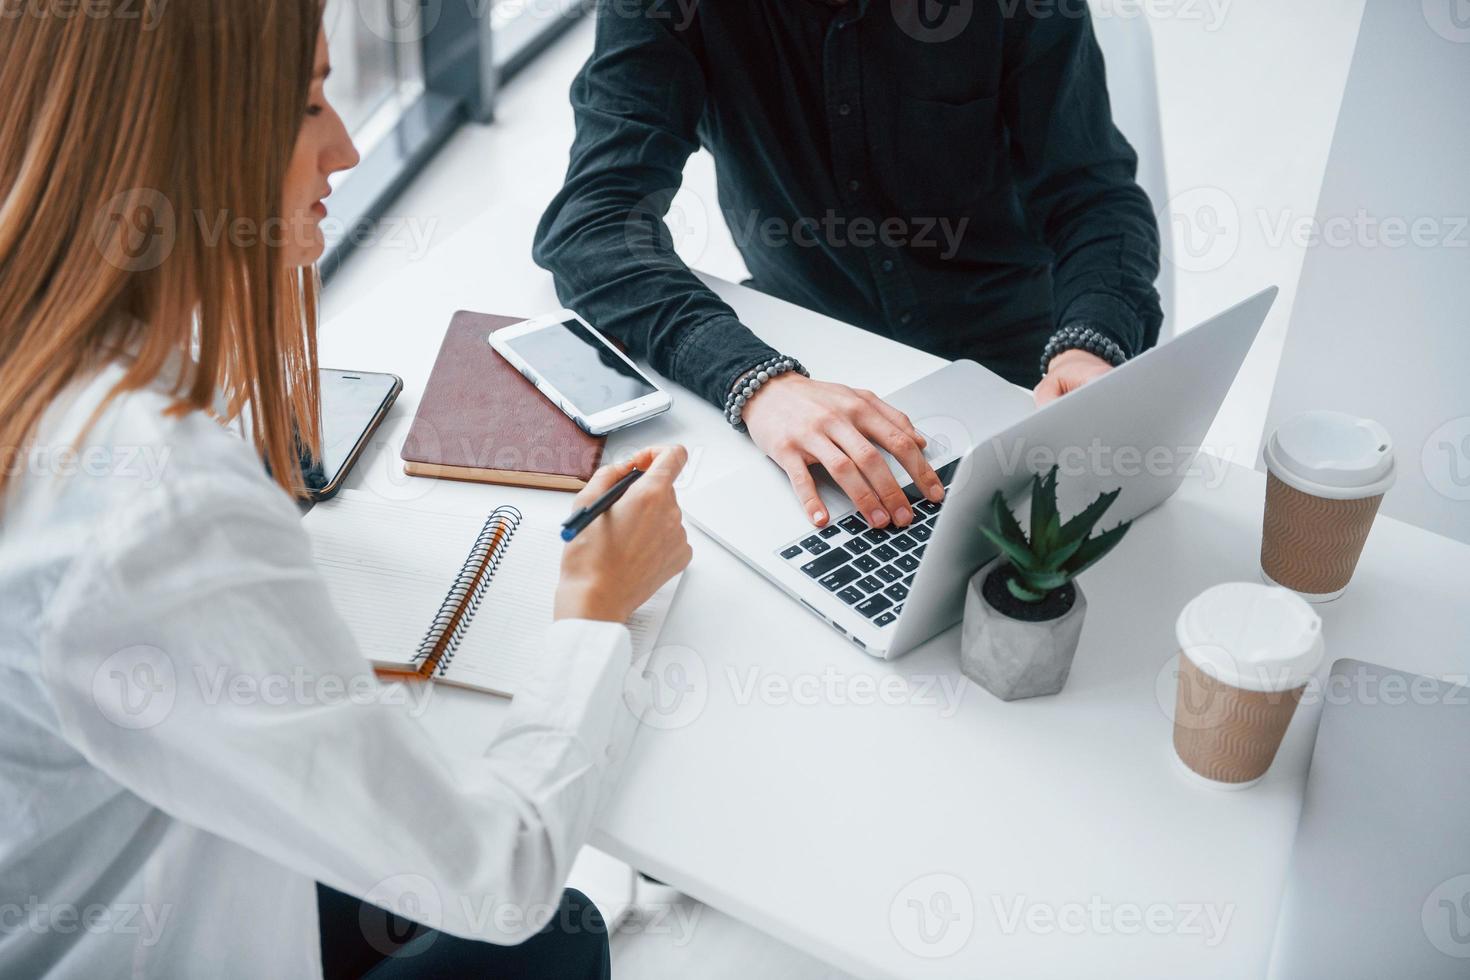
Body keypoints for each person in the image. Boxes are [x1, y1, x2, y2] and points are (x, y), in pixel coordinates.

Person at [0, 4, 690, 978]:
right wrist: (594, 609)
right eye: (305, 105)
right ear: (183, 146)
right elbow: (501, 874)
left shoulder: (55, 367)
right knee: (557, 935)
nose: (348, 148)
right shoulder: (152, 504)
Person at [535, 0, 1164, 531]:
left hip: (1016, 366)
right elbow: (593, 224)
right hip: (805, 362)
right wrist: (756, 382)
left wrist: (1090, 346)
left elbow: (1094, 196)